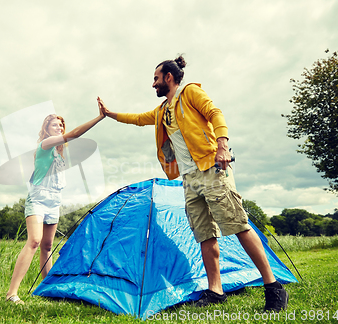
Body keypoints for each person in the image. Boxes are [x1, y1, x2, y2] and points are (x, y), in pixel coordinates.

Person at [97, 55, 289, 312]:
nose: (153, 84)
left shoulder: (190, 93)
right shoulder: (163, 110)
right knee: (204, 235)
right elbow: (138, 118)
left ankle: (273, 287)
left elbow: (215, 113)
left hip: (211, 169)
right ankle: (215, 290)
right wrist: (110, 114)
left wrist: (222, 146)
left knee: (238, 225)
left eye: (156, 78)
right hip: (189, 179)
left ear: (168, 77)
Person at [6, 101, 105, 304]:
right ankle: (11, 294)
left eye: (61, 126)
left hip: (54, 200)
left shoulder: (60, 153)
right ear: (46, 129)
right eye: (54, 125)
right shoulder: (44, 145)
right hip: (38, 199)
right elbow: (75, 134)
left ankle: (48, 289)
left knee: (47, 246)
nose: (59, 128)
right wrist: (100, 117)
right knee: (34, 241)